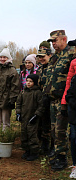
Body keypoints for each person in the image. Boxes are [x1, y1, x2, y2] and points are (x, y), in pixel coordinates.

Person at [44, 30, 75, 171]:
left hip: (64, 100)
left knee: (61, 130)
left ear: (64, 39)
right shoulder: (55, 56)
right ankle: (57, 153)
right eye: (52, 42)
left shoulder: (72, 53)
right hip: (53, 100)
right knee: (54, 129)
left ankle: (62, 158)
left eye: (55, 41)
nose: (53, 44)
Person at [0, 48, 20, 139]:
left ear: (8, 58)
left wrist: (12, 100)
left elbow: (15, 87)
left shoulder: (12, 71)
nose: (3, 59)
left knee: (5, 121)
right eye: (1, 57)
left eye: (5, 57)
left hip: (6, 100)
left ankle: (4, 137)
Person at [16, 74, 44, 161]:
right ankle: (27, 150)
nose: (28, 83)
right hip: (24, 117)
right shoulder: (23, 92)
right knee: (24, 134)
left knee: (32, 135)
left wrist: (36, 115)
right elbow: (18, 103)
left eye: (31, 81)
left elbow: (41, 105)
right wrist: (18, 113)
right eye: (27, 81)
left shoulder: (37, 93)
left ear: (35, 83)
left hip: (32, 118)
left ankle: (34, 152)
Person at [36, 48, 54, 156]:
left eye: (43, 56)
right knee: (44, 123)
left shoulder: (53, 68)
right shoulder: (40, 69)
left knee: (53, 125)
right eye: (40, 57)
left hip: (52, 100)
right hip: (43, 100)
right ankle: (44, 145)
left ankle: (53, 147)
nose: (41, 59)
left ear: (49, 55)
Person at [62, 39, 76, 177]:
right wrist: (66, 102)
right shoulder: (73, 62)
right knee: (74, 136)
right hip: (74, 107)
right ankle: (75, 166)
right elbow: (68, 84)